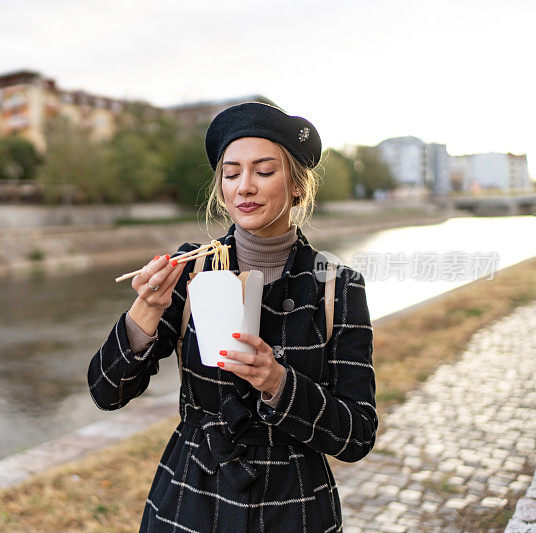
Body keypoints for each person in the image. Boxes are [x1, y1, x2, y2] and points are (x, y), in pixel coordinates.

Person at [88, 102, 376, 532]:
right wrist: (145, 309)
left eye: (263, 171)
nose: (245, 187)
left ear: (296, 186)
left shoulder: (337, 286)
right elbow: (106, 392)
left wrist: (278, 383)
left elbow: (357, 435)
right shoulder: (192, 268)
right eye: (231, 173)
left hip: (293, 505)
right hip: (191, 496)